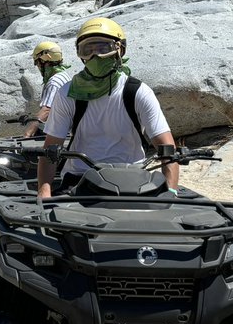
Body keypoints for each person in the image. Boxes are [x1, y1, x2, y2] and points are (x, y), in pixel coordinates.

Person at [37, 18, 178, 198]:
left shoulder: (138, 92)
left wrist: (171, 192)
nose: (95, 56)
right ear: (80, 55)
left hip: (134, 180)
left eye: (103, 48)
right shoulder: (68, 94)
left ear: (120, 50)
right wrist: (44, 191)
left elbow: (167, 147)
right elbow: (50, 150)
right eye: (87, 50)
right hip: (80, 180)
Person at [24, 40, 72, 137]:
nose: (37, 66)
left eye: (37, 62)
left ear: (43, 61)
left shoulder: (54, 82)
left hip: (58, 133)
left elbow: (46, 110)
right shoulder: (63, 75)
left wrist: (28, 133)